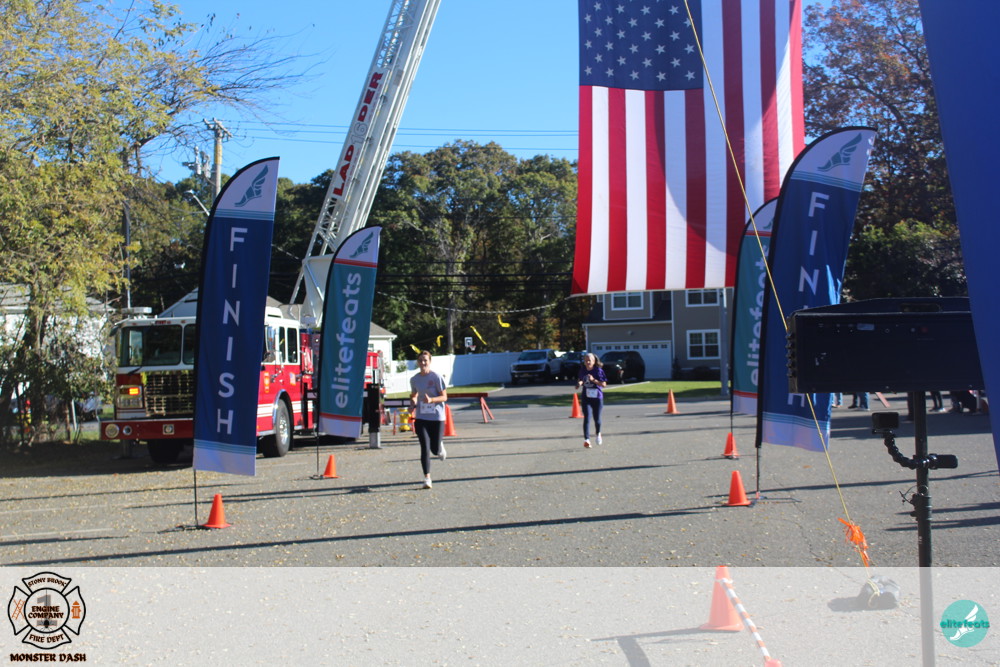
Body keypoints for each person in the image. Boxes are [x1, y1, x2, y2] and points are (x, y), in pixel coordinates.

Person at [409, 350, 448, 488]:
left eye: (425, 360)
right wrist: (412, 404)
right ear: (418, 362)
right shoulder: (414, 379)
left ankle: (439, 446)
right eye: (420, 360)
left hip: (437, 417)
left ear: (430, 362)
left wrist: (431, 400)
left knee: (434, 449)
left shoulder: (436, 377)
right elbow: (414, 395)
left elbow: (444, 397)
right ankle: (427, 478)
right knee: (424, 447)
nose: (423, 363)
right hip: (421, 417)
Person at [576, 352, 608, 448]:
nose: (587, 362)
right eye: (586, 361)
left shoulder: (598, 370)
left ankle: (598, 434)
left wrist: (593, 380)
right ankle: (587, 440)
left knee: (597, 419)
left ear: (594, 361)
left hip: (597, 398)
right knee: (587, 418)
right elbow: (580, 379)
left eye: (589, 360)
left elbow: (604, 384)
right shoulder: (582, 370)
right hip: (586, 398)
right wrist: (579, 383)